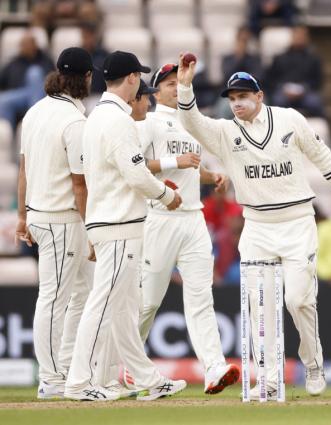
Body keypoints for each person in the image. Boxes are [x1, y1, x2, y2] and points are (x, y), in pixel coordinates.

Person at [177, 59, 331, 400]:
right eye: (232, 97)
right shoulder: (225, 132)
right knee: (259, 305)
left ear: (259, 95)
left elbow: (319, 152)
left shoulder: (289, 118)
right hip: (257, 226)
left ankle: (313, 362)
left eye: (243, 95)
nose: (237, 103)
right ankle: (270, 375)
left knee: (298, 300)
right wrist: (186, 87)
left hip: (297, 222)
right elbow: (191, 122)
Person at [64, 51, 186, 401]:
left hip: (111, 220)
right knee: (104, 303)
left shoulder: (97, 116)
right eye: (139, 78)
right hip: (118, 223)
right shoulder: (116, 120)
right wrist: (166, 196)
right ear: (132, 78)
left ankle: (146, 377)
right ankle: (79, 382)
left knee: (123, 308)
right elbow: (135, 174)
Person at [136, 63, 240, 395]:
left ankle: (214, 369)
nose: (174, 87)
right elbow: (134, 164)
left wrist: (214, 176)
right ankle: (119, 366)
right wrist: (172, 163)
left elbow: (192, 167)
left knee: (200, 298)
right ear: (156, 91)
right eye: (168, 83)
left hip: (194, 219)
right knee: (148, 302)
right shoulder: (148, 123)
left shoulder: (190, 123)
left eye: (177, 82)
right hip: (161, 216)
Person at [15, 47, 94, 400]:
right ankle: (50, 378)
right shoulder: (74, 121)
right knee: (55, 297)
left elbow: (24, 169)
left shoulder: (34, 112)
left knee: (80, 294)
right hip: (63, 219)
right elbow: (80, 185)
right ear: (86, 78)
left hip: (40, 214)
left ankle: (67, 368)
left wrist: (21, 215)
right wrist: (93, 229)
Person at [266, 26, 325, 117]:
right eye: (297, 35)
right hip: (283, 92)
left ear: (307, 38)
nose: (300, 38)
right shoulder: (280, 58)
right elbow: (270, 79)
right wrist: (283, 89)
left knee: (315, 103)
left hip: (306, 93)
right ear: (292, 37)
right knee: (276, 102)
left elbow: (318, 81)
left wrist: (304, 89)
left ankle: (320, 129)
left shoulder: (314, 59)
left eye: (303, 35)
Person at [0, 30, 54, 128]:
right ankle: (7, 138)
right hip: (21, 94)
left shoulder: (45, 60)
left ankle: (33, 124)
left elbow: (53, 79)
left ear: (34, 45)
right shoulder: (14, 62)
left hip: (42, 95)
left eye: (26, 44)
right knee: (3, 100)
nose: (23, 47)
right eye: (22, 44)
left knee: (34, 72)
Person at [80, 22, 109, 94]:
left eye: (89, 36)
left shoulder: (104, 55)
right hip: (81, 96)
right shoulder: (77, 56)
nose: (87, 40)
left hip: (100, 95)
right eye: (84, 36)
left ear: (94, 37)